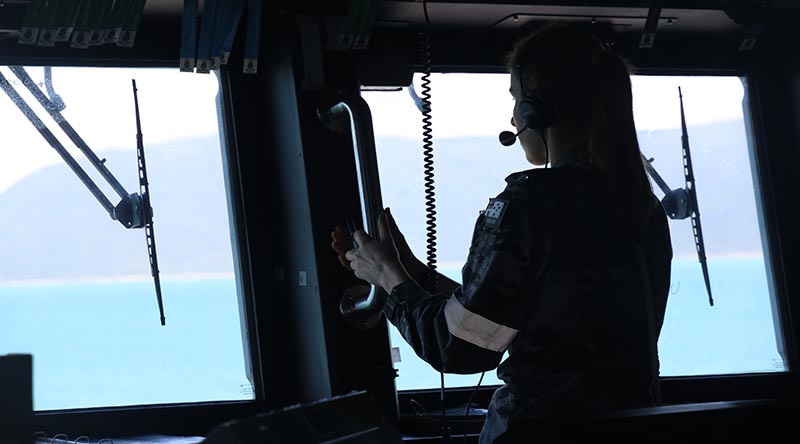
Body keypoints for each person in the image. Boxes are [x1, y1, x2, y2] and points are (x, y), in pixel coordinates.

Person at [331, 24, 672, 443]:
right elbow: (507, 318)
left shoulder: (530, 205)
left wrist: (388, 280)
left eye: (516, 99)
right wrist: (410, 272)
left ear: (535, 112)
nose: (513, 116)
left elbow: (459, 346)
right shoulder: (640, 206)